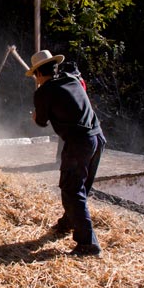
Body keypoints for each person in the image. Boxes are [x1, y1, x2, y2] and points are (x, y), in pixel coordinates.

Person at [27, 49, 106, 257]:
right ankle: (67, 223)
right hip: (98, 137)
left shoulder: (44, 92)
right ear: (55, 67)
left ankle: (88, 244)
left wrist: (35, 115)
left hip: (79, 142)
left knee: (71, 190)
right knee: (81, 187)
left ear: (38, 74)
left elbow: (41, 122)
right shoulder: (71, 77)